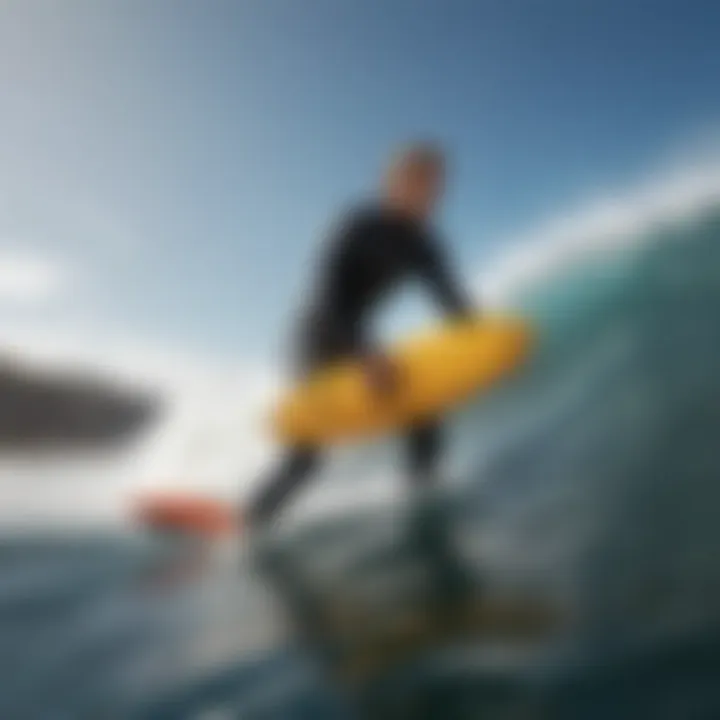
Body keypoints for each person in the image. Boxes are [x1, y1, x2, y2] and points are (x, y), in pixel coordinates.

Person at [246, 142, 476, 532]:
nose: (429, 194)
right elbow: (328, 295)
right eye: (418, 182)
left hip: (359, 341)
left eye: (436, 186)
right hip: (316, 339)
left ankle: (423, 503)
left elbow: (453, 304)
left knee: (422, 410)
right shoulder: (359, 225)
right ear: (392, 184)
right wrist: (364, 353)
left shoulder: (425, 244)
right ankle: (247, 526)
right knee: (308, 457)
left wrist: (487, 342)